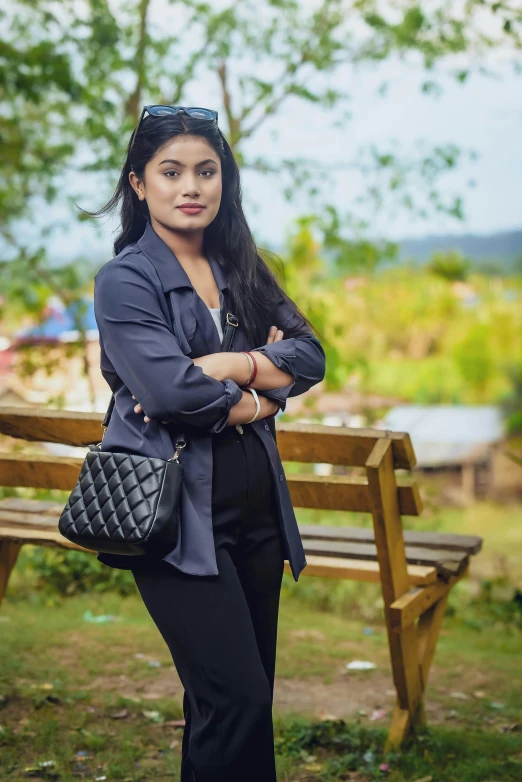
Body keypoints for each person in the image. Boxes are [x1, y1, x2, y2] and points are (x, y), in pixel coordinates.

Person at [88, 105, 326, 781]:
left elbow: (311, 357)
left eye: (206, 170)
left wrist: (231, 366)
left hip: (256, 518)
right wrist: (262, 392)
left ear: (224, 181)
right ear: (139, 184)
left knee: (232, 706)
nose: (190, 185)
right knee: (237, 698)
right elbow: (169, 395)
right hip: (174, 519)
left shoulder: (243, 266)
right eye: (171, 172)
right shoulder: (126, 279)